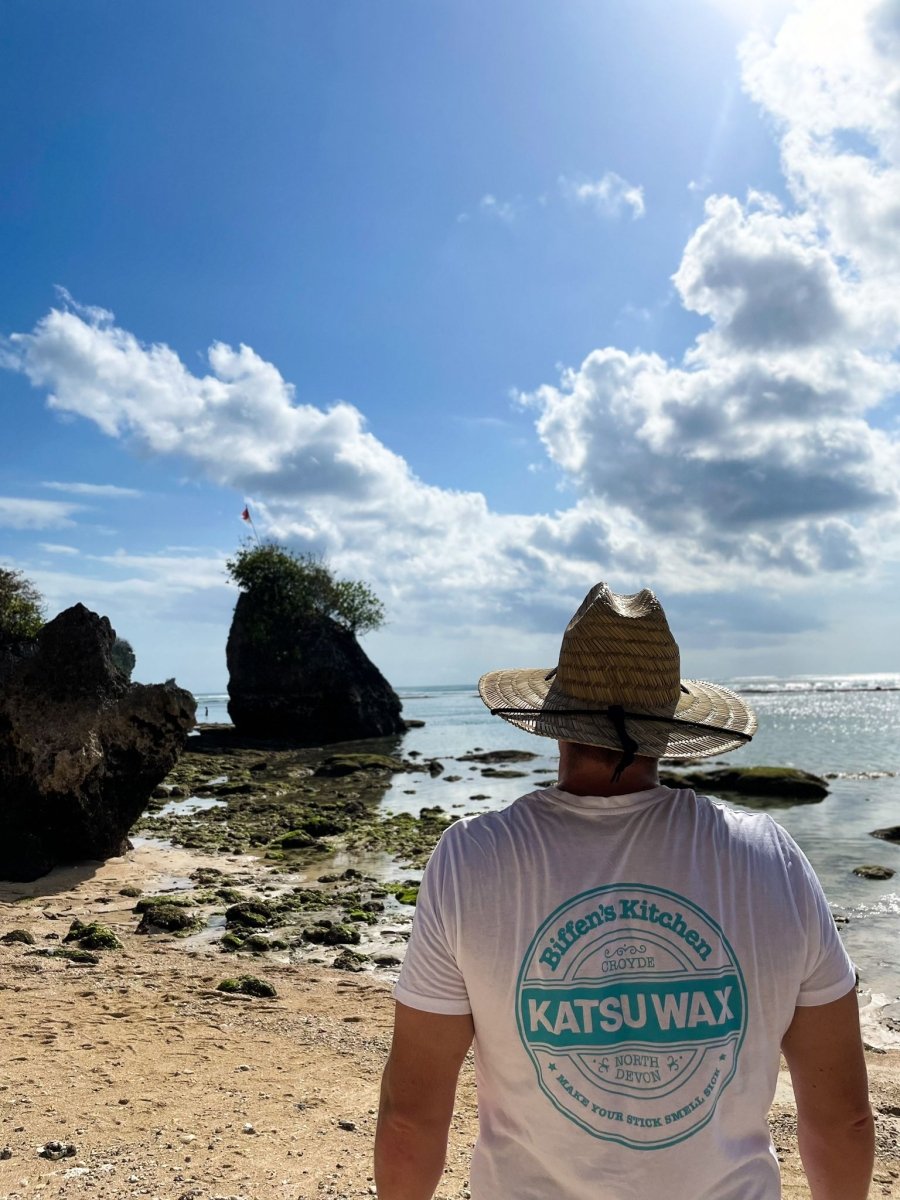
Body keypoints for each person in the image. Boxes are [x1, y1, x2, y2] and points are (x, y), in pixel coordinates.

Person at [375, 584, 873, 1199]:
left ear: (556, 719)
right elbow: (844, 1120)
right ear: (667, 724)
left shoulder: (472, 859)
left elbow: (410, 1117)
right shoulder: (771, 859)